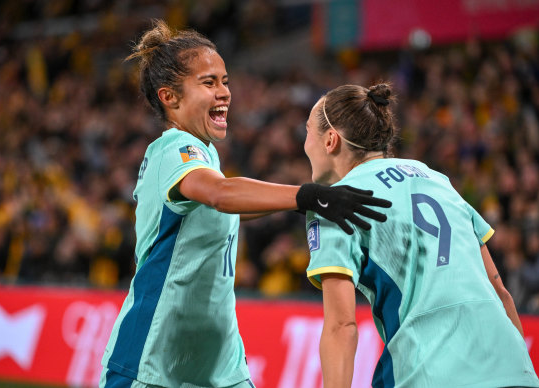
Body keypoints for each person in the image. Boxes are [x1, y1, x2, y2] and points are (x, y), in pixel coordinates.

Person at [100, 20, 391, 388]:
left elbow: (230, 202)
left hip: (217, 362)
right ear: (169, 98)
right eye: (208, 83)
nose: (223, 92)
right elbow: (221, 195)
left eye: (225, 81)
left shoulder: (204, 154)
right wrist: (305, 194)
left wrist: (300, 203)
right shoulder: (171, 150)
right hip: (154, 359)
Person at [302, 83, 539, 387]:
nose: (304, 143)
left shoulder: (333, 203)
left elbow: (341, 326)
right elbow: (501, 293)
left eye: (307, 131)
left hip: (431, 372)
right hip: (514, 369)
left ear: (330, 140)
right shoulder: (437, 179)